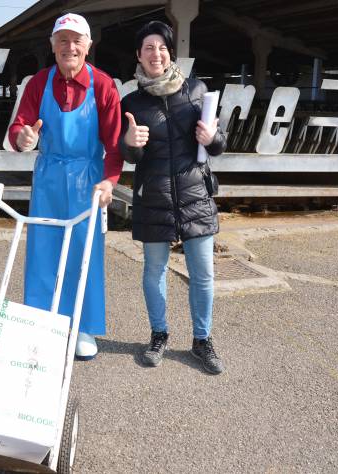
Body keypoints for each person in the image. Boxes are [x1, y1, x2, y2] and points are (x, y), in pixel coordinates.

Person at [8, 13, 124, 360]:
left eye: (77, 40)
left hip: (88, 177)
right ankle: (42, 322)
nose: (69, 47)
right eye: (62, 40)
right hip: (47, 177)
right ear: (52, 46)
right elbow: (19, 128)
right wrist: (23, 138)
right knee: (43, 248)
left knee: (84, 250)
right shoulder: (37, 83)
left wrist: (110, 180)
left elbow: (115, 144)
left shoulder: (103, 85)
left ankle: (83, 326)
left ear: (88, 45)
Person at [119, 21, 227, 374]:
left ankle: (202, 340)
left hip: (195, 192)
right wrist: (130, 144)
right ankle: (159, 334)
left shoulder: (196, 91)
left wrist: (211, 137)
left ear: (170, 54)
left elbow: (220, 145)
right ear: (139, 55)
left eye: (161, 47)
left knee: (203, 273)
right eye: (148, 48)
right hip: (154, 196)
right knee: (154, 271)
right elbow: (129, 157)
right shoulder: (131, 101)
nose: (156, 54)